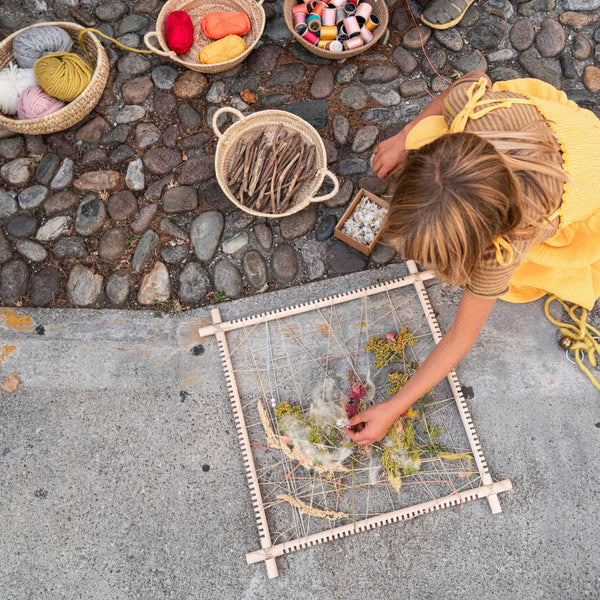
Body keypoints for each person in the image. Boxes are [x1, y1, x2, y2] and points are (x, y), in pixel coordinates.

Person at [344, 71, 600, 445]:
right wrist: (404, 137)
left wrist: (395, 405)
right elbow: (473, 77)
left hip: (586, 179)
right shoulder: (476, 110)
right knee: (420, 133)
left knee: (514, 284)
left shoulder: (509, 245)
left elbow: (462, 337)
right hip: (552, 133)